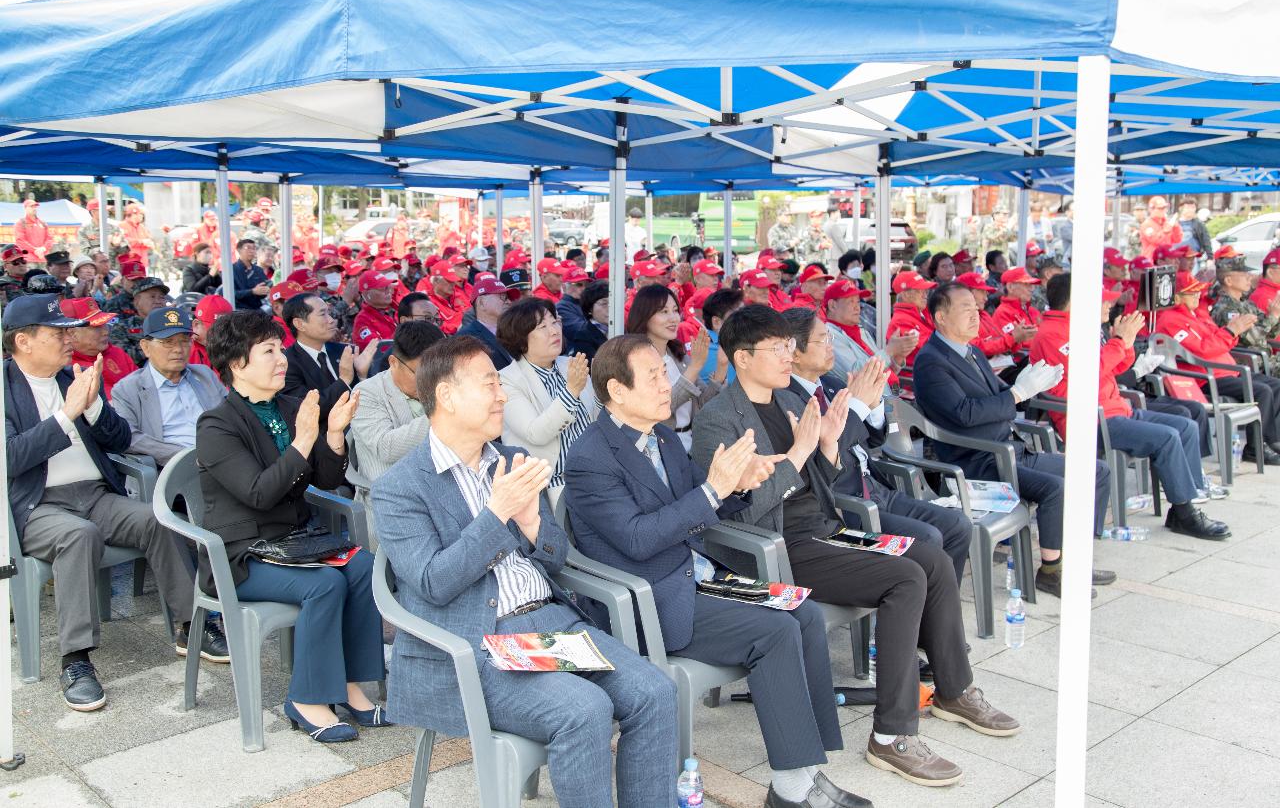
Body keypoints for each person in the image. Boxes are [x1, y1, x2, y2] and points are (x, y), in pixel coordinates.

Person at [691, 304, 1020, 787]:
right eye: (777, 349)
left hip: (821, 530)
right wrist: (805, 450)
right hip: (776, 547)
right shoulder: (718, 418)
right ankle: (891, 735)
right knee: (905, 579)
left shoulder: (786, 401)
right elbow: (737, 509)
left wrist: (824, 448)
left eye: (789, 346)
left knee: (929, 557)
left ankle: (954, 688)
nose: (788, 357)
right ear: (742, 358)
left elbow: (816, 480)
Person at [566, 334, 872, 808]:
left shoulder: (663, 437)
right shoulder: (591, 457)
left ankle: (808, 771)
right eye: (652, 376)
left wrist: (738, 486)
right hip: (651, 599)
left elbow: (702, 500)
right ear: (617, 390)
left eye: (661, 373)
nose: (667, 384)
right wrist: (713, 491)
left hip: (696, 573)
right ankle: (791, 790)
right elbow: (637, 538)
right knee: (773, 631)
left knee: (805, 614)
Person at [373, 336, 678, 807]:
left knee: (655, 691)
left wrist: (534, 524)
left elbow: (557, 558)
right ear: (447, 396)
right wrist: (496, 516)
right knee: (585, 710)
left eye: (500, 383)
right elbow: (434, 584)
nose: (503, 395)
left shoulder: (511, 463)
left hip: (551, 626)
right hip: (481, 645)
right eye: (489, 384)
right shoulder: (399, 488)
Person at [3, 295, 215, 712]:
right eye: (57, 333)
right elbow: (10, 458)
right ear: (24, 341)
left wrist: (95, 404)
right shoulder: (5, 389)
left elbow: (119, 440)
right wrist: (67, 416)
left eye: (68, 330)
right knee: (78, 536)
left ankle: (192, 625)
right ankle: (76, 659)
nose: (69, 339)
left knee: (160, 520)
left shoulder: (71, 377)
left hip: (95, 495)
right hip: (37, 506)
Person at [197, 310, 384, 742]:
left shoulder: (287, 406)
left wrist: (334, 434)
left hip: (295, 542)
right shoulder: (217, 424)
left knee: (362, 567)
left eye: (279, 348)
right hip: (242, 555)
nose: (281, 359)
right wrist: (303, 441)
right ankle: (305, 698)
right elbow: (259, 494)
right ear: (238, 364)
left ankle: (351, 684)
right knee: (324, 585)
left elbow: (327, 478)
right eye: (268, 351)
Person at [910, 283, 1115, 598]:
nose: (976, 314)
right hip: (977, 461)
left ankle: (1075, 558)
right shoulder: (931, 361)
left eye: (976, 308)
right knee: (1055, 488)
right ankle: (1051, 571)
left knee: (1096, 471)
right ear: (940, 316)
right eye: (965, 308)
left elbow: (997, 395)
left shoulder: (972, 351)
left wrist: (1025, 379)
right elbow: (963, 413)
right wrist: (1019, 392)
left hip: (1009, 448)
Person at [1029, 274, 1229, 540]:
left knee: (1186, 425)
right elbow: (1087, 376)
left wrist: (1126, 342)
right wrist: (1118, 342)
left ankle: (1184, 503)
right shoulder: (1052, 334)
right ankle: (1186, 512)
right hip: (1089, 419)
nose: (1108, 306)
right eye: (1102, 300)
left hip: (1115, 409)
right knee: (1167, 437)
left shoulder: (1080, 327)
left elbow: (1117, 368)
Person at [783, 307, 973, 583]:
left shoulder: (832, 383)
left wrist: (872, 407)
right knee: (929, 537)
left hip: (876, 488)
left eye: (831, 339)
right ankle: (919, 613)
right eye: (822, 340)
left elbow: (871, 439)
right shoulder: (787, 399)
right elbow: (822, 451)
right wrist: (859, 405)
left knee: (958, 525)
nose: (830, 346)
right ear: (795, 352)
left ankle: (938, 611)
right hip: (845, 502)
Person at [1155, 270, 1280, 464]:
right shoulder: (1171, 320)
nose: (1197, 295)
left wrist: (1232, 331)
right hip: (1206, 378)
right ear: (1177, 296)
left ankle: (1272, 440)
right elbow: (1202, 350)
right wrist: (1231, 330)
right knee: (1262, 391)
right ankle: (1255, 449)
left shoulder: (1196, 314)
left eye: (1198, 291)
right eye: (1191, 292)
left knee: (1275, 385)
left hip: (1226, 371)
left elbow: (1220, 341)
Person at [496, 298, 599, 500]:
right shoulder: (506, 380)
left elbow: (595, 419)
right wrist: (571, 391)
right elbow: (536, 433)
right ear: (520, 338)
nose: (554, 331)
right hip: (551, 486)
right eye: (542, 326)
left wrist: (602, 395)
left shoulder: (569, 364)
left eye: (555, 322)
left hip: (594, 476)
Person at [110, 308, 227, 466]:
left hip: (225, 458)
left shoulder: (204, 375)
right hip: (176, 469)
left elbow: (231, 414)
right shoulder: (127, 389)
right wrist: (185, 457)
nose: (178, 349)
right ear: (145, 347)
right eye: (168, 342)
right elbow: (130, 437)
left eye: (185, 341)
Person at [349, 321, 443, 499]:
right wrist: (443, 413)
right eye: (421, 373)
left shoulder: (444, 383)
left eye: (436, 372)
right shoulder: (367, 393)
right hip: (393, 499)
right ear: (393, 362)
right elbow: (386, 447)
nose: (429, 381)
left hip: (444, 491)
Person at [626, 285, 725, 448]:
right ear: (644, 316)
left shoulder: (678, 355)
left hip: (690, 444)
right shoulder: (635, 358)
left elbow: (702, 404)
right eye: (664, 312)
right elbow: (659, 408)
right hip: (660, 448)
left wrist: (721, 367)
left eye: (675, 310)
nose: (673, 318)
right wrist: (695, 367)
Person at [282, 293, 373, 415]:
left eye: (328, 313)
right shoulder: (287, 364)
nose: (331, 320)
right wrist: (344, 380)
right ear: (299, 324)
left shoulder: (344, 351)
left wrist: (362, 376)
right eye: (322, 314)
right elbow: (308, 410)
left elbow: (369, 402)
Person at [824, 279, 912, 383]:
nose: (857, 307)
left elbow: (885, 371)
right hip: (868, 398)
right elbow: (857, 377)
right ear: (832, 305)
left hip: (889, 394)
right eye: (851, 301)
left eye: (858, 301)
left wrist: (898, 356)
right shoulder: (828, 336)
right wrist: (889, 351)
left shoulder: (860, 331)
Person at [58, 297, 137, 399]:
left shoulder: (117, 353)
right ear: (72, 334)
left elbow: (144, 386)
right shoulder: (65, 368)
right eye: (97, 327)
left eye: (105, 324)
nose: (106, 331)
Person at [1212, 249, 1280, 358]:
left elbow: (1270, 333)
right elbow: (1253, 338)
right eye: (1243, 274)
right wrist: (1273, 316)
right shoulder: (1226, 309)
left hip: (1267, 360)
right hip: (1254, 365)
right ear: (1229, 281)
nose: (1249, 277)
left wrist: (1276, 315)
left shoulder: (1245, 303)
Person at [107, 277, 172, 367]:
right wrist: (156, 344)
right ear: (137, 302)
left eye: (162, 298)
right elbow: (123, 357)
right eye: (152, 296)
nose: (158, 301)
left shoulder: (172, 326)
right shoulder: (122, 327)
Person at [457, 276, 519, 370]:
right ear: (481, 303)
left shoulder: (516, 331)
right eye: (503, 297)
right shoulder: (466, 338)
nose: (509, 302)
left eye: (509, 298)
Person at [883, 270, 935, 370]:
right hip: (919, 378)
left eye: (925, 291)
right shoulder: (900, 321)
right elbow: (930, 348)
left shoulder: (922, 313)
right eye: (920, 291)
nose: (925, 295)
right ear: (905, 295)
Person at [992, 266, 1042, 351]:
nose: (1031, 289)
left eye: (1031, 285)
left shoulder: (1032, 310)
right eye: (1026, 284)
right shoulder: (1002, 313)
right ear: (1010, 287)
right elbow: (1017, 345)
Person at [351, 271, 399, 351]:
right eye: (383, 288)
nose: (388, 291)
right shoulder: (362, 321)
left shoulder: (397, 308)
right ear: (367, 294)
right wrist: (404, 331)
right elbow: (379, 351)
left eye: (388, 286)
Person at [567, 279, 610, 360]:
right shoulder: (583, 337)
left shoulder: (620, 327)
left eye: (612, 302)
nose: (609, 308)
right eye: (604, 303)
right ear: (590, 308)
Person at [189, 294, 232, 370]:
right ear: (196, 325)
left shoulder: (234, 347)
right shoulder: (184, 350)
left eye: (224, 330)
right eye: (213, 330)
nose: (220, 335)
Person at [231, 237, 270, 311]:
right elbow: (232, 293)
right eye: (248, 248)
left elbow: (263, 291)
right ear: (239, 250)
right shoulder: (232, 269)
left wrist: (266, 289)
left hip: (257, 308)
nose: (252, 251)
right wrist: (252, 291)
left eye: (254, 248)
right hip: (239, 309)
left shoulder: (258, 270)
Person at [1139, 195, 1181, 260]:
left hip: (1167, 258)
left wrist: (1176, 228)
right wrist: (1165, 230)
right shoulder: (1146, 225)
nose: (1163, 210)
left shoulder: (1166, 223)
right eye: (1160, 208)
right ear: (1151, 209)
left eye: (1165, 208)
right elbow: (1156, 240)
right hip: (1152, 260)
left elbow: (1177, 240)